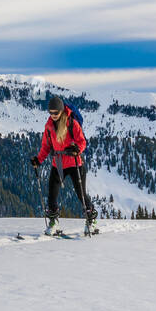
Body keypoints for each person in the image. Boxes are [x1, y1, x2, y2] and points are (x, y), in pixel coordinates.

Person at [31, 96, 97, 234]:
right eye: (51, 112)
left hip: (74, 163)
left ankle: (91, 220)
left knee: (81, 194)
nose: (53, 115)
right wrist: (38, 160)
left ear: (61, 111)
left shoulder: (72, 123)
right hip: (58, 164)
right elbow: (46, 147)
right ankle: (54, 222)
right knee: (52, 195)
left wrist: (77, 149)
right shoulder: (49, 126)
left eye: (56, 112)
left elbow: (82, 141)